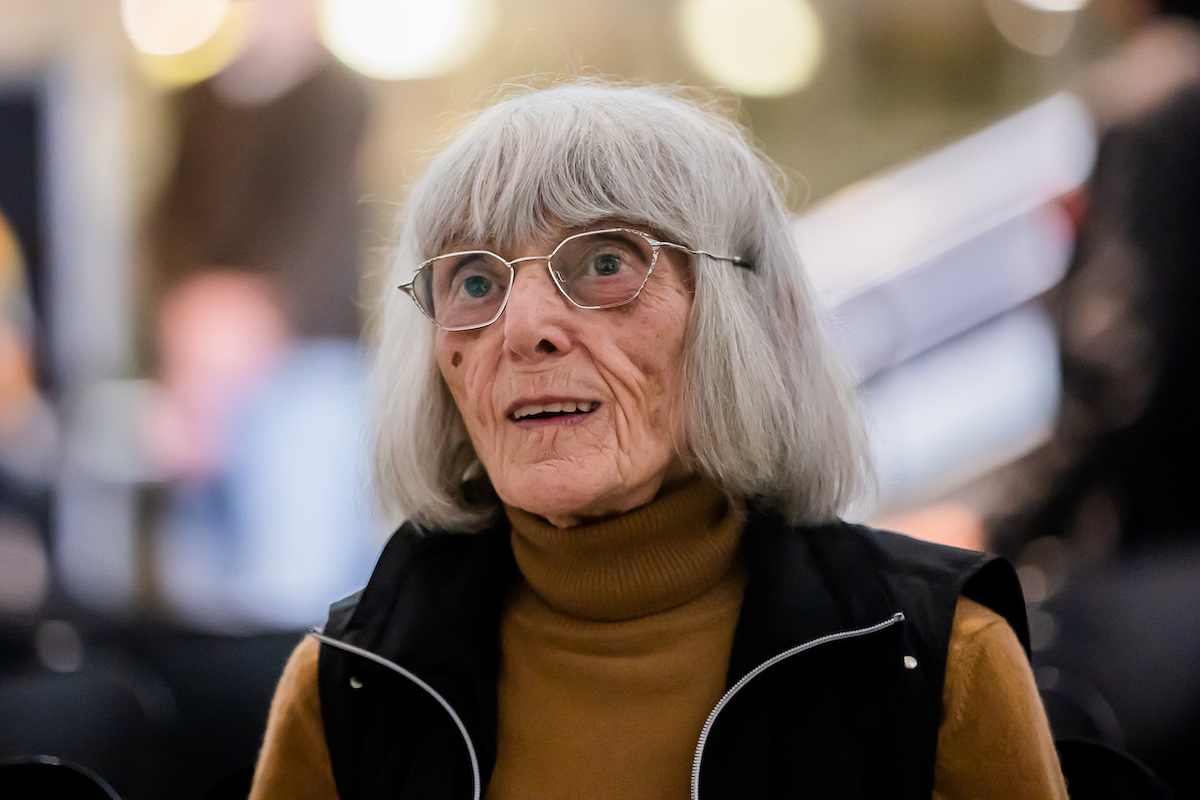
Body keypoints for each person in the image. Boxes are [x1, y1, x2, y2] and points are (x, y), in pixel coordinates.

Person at [248, 82, 1066, 799]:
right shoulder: (352, 684)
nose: (525, 328)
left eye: (604, 263)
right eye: (474, 281)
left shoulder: (935, 662)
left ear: (743, 320)